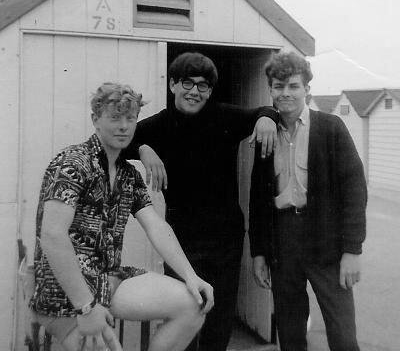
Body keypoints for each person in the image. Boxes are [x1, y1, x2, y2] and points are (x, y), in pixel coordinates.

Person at [29, 82, 214, 351]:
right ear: (95, 119)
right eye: (115, 118)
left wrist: (191, 275)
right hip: (66, 293)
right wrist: (86, 307)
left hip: (108, 279)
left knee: (193, 303)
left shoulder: (128, 174)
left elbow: (156, 225)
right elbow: (52, 236)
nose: (124, 126)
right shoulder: (73, 163)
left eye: (130, 118)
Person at [123, 51, 278, 351]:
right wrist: (143, 148)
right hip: (182, 239)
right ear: (172, 85)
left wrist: (266, 118)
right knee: (185, 312)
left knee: (219, 317)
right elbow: (119, 140)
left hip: (225, 238)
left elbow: (264, 110)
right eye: (187, 83)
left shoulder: (225, 116)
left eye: (203, 85)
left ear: (209, 91)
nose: (194, 91)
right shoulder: (158, 126)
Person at [249, 52, 368, 351]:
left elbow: (354, 191)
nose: (285, 93)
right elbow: (258, 200)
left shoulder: (331, 128)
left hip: (326, 239)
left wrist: (352, 250)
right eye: (279, 86)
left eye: (293, 86)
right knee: (290, 331)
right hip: (283, 240)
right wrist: (259, 252)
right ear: (271, 90)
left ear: (307, 90)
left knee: (343, 334)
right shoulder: (266, 134)